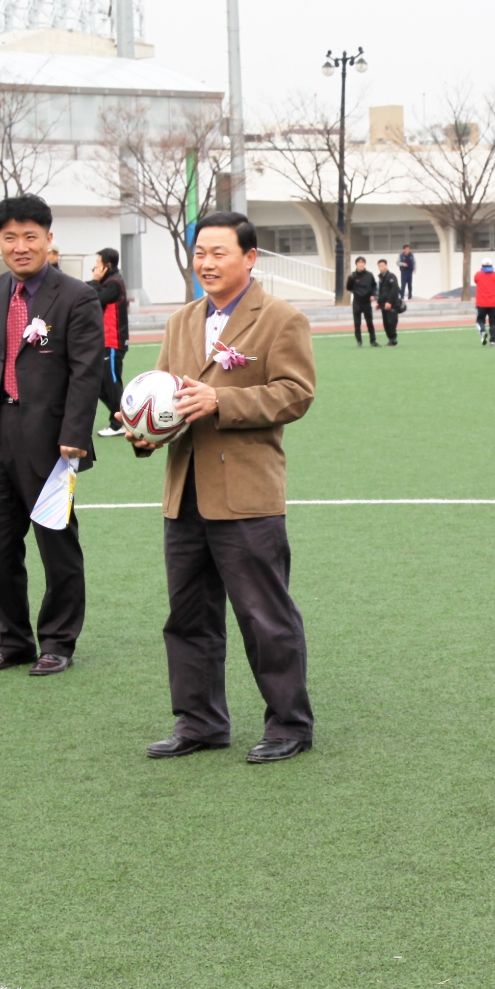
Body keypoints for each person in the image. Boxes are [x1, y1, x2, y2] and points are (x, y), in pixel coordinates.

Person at [127, 212, 318, 764]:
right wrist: (144, 431)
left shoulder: (280, 318)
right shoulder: (182, 321)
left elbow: (295, 393)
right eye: (200, 253)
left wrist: (223, 401)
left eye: (219, 253)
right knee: (187, 615)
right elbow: (165, 393)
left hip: (246, 494)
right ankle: (200, 721)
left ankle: (289, 723)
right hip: (184, 490)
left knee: (265, 615)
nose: (206, 263)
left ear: (250, 258)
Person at [0, 195, 104, 677]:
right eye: (10, 238)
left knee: (56, 547)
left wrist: (75, 435)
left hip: (51, 443)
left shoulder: (77, 296)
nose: (20, 247)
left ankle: (58, 641)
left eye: (30, 237)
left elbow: (86, 371)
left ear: (48, 239)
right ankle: (12, 640)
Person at [91, 248, 131, 437]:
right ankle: (124, 416)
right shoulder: (108, 282)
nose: (95, 267)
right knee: (99, 384)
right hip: (104, 341)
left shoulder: (113, 283)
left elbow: (94, 300)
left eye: (98, 263)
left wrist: (94, 281)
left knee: (112, 383)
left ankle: (120, 423)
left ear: (107, 265)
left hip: (113, 341)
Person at [347, 256, 380, 347]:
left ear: (365, 264)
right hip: (357, 302)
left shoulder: (369, 275)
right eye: (359, 262)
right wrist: (356, 292)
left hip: (367, 302)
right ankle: (359, 341)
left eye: (363, 262)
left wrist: (373, 295)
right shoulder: (353, 276)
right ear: (356, 264)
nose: (361, 264)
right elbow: (348, 287)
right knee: (357, 323)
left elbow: (374, 285)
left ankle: (373, 341)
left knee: (369, 322)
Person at [375, 259, 404, 346]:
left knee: (392, 322)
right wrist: (379, 302)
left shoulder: (391, 276)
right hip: (383, 305)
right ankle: (390, 339)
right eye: (379, 266)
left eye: (382, 266)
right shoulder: (380, 278)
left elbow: (394, 290)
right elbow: (381, 291)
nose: (381, 268)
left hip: (392, 305)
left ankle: (393, 339)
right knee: (386, 323)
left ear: (386, 266)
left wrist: (389, 302)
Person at [474, 262, 495, 345]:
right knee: (493, 322)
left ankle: (482, 331)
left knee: (480, 320)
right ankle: (493, 341)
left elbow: (476, 281)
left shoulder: (478, 274)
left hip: (481, 303)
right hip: (493, 303)